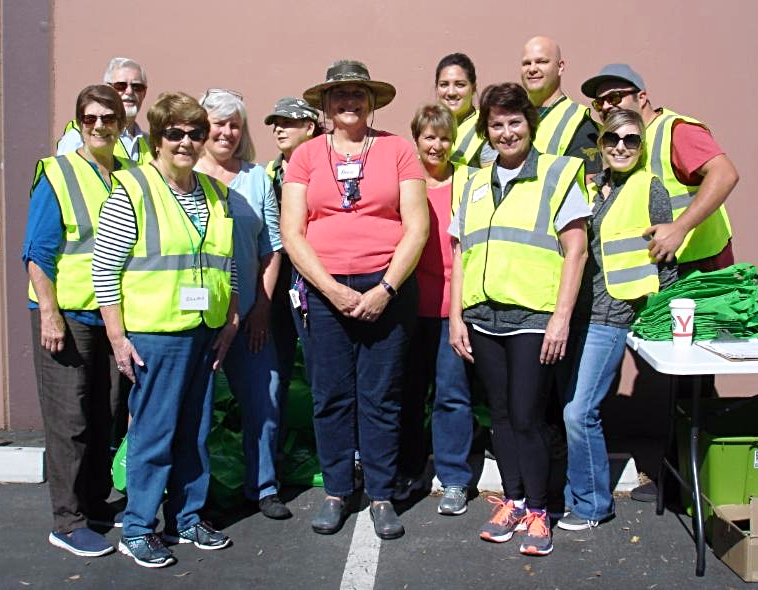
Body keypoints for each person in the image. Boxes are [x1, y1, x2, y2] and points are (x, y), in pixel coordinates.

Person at [280, 60, 429, 540]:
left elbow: (417, 227)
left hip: (388, 290)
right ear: (325, 105)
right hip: (325, 293)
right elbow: (292, 232)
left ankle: (382, 494)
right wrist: (331, 289)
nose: (349, 102)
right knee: (331, 396)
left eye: (357, 94)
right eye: (339, 95)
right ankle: (337, 491)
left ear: (371, 101)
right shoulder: (305, 156)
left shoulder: (397, 150)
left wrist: (386, 288)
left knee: (381, 397)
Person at [580, 63, 739, 500]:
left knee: (695, 382)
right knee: (679, 380)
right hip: (664, 273)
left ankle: (696, 485)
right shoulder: (628, 141)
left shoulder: (675, 131)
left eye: (617, 96)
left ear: (642, 97)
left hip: (700, 268)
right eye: (600, 101)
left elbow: (725, 174)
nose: (608, 105)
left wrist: (680, 227)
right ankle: (680, 479)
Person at [93, 92, 238, 568]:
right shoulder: (133, 189)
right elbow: (104, 270)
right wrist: (117, 338)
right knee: (154, 432)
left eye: (195, 133)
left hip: (205, 329)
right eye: (175, 133)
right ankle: (138, 527)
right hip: (156, 334)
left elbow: (227, 262)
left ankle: (186, 517)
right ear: (158, 138)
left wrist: (232, 317)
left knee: (195, 431)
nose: (186, 142)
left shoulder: (215, 193)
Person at [449, 82, 590, 556]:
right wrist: (456, 317)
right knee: (503, 416)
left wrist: (561, 319)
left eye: (514, 122)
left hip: (533, 316)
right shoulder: (472, 182)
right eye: (496, 124)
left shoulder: (557, 174)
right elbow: (461, 254)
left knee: (528, 416)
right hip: (483, 316)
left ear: (530, 124)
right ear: (485, 131)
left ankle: (539, 511)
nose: (506, 132)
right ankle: (512, 500)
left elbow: (576, 250)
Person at [23, 84, 133, 558]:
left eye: (108, 118)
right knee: (69, 419)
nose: (99, 126)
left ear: (121, 124)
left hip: (111, 315)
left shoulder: (131, 174)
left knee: (104, 413)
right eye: (90, 118)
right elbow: (37, 251)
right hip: (67, 315)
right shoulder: (59, 173)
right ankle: (67, 522)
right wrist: (49, 313)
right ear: (79, 123)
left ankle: (93, 503)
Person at [556, 109, 676, 531]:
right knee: (570, 409)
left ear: (641, 146)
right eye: (612, 139)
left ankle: (593, 505)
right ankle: (575, 494)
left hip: (613, 314)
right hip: (578, 313)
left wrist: (657, 318)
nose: (621, 147)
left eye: (631, 140)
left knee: (580, 411)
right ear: (601, 144)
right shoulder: (593, 189)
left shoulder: (649, 187)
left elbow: (666, 259)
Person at [196, 89, 291, 519]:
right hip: (200, 315)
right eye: (219, 123)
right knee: (195, 409)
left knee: (264, 399)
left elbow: (271, 248)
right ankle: (192, 498)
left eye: (235, 125)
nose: (227, 133)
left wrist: (261, 308)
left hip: (250, 313)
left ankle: (264, 487)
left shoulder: (256, 178)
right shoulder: (185, 174)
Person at [396, 103, 476, 514]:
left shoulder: (468, 182)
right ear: (417, 139)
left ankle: (455, 479)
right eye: (429, 137)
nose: (437, 145)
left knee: (452, 396)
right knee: (408, 395)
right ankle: (408, 471)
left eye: (445, 137)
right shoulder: (404, 182)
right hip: (410, 308)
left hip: (452, 308)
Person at [263, 97, 321, 423]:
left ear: (309, 127)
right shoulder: (268, 172)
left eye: (288, 122)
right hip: (279, 273)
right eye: (276, 124)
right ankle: (278, 443)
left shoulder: (324, 167)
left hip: (314, 273)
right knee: (276, 366)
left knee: (319, 364)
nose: (279, 129)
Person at [520, 36, 601, 180]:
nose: (532, 69)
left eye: (542, 62)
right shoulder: (511, 116)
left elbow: (588, 185)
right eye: (527, 63)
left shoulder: (578, 121)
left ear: (560, 67)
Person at [57, 57, 152, 164]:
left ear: (144, 93)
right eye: (120, 86)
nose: (129, 91)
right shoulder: (80, 135)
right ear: (107, 89)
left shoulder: (151, 143)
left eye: (137, 87)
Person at [435, 53, 497, 168]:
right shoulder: (429, 127)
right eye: (444, 85)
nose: (451, 92)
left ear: (473, 88)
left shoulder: (486, 128)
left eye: (460, 85)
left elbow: (494, 177)